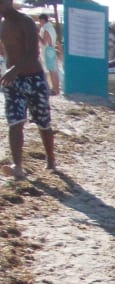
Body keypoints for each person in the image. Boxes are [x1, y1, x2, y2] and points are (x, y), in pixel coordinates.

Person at [0, 0, 55, 179]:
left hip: (34, 78)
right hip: (13, 81)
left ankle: (51, 158)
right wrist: (10, 69)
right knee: (15, 121)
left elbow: (33, 53)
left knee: (43, 122)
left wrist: (14, 70)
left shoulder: (26, 22)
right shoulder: (2, 25)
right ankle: (17, 166)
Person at [37, 13, 59, 95]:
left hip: (48, 50)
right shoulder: (51, 28)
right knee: (54, 70)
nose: (39, 23)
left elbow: (43, 42)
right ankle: (56, 88)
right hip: (52, 49)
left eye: (40, 21)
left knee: (52, 70)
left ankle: (54, 89)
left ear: (42, 20)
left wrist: (37, 35)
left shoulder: (46, 29)